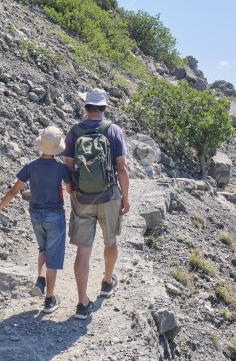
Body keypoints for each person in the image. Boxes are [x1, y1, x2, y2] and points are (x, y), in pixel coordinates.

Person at [62, 88, 130, 320]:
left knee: (83, 252)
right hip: (109, 195)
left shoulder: (74, 131)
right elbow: (122, 168)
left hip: (82, 197)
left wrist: (72, 189)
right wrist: (126, 197)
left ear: (85, 108)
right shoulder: (114, 130)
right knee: (110, 240)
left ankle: (82, 304)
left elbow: (68, 165)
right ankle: (107, 282)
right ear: (105, 108)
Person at [0, 126, 69, 314]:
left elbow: (14, 190)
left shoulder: (30, 166)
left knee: (42, 249)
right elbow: (71, 191)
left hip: (35, 214)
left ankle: (40, 281)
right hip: (55, 215)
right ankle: (49, 299)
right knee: (54, 257)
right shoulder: (61, 168)